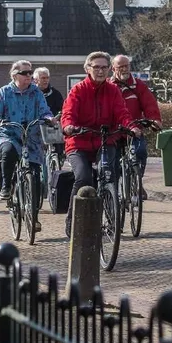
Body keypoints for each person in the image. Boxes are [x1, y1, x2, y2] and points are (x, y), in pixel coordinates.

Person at [61, 51, 139, 238]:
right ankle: (72, 220)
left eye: (104, 67)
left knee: (108, 176)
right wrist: (69, 126)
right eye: (96, 67)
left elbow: (122, 113)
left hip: (104, 139)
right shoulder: (78, 90)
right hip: (79, 141)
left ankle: (111, 220)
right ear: (88, 69)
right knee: (84, 177)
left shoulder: (113, 91)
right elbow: (68, 113)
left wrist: (131, 127)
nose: (101, 71)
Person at [0, 60, 53, 231]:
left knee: (36, 177)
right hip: (8, 132)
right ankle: (6, 186)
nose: (29, 76)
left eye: (30, 73)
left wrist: (48, 118)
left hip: (30, 135)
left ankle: (35, 217)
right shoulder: (5, 91)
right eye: (25, 73)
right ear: (15, 75)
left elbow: (44, 109)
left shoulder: (36, 92)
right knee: (8, 152)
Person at [109, 55, 162, 199]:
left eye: (127, 66)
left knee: (140, 151)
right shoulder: (108, 87)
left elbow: (149, 104)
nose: (125, 69)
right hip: (114, 132)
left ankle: (136, 180)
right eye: (121, 67)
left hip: (134, 131)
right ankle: (112, 193)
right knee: (111, 162)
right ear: (113, 68)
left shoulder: (138, 86)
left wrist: (154, 120)